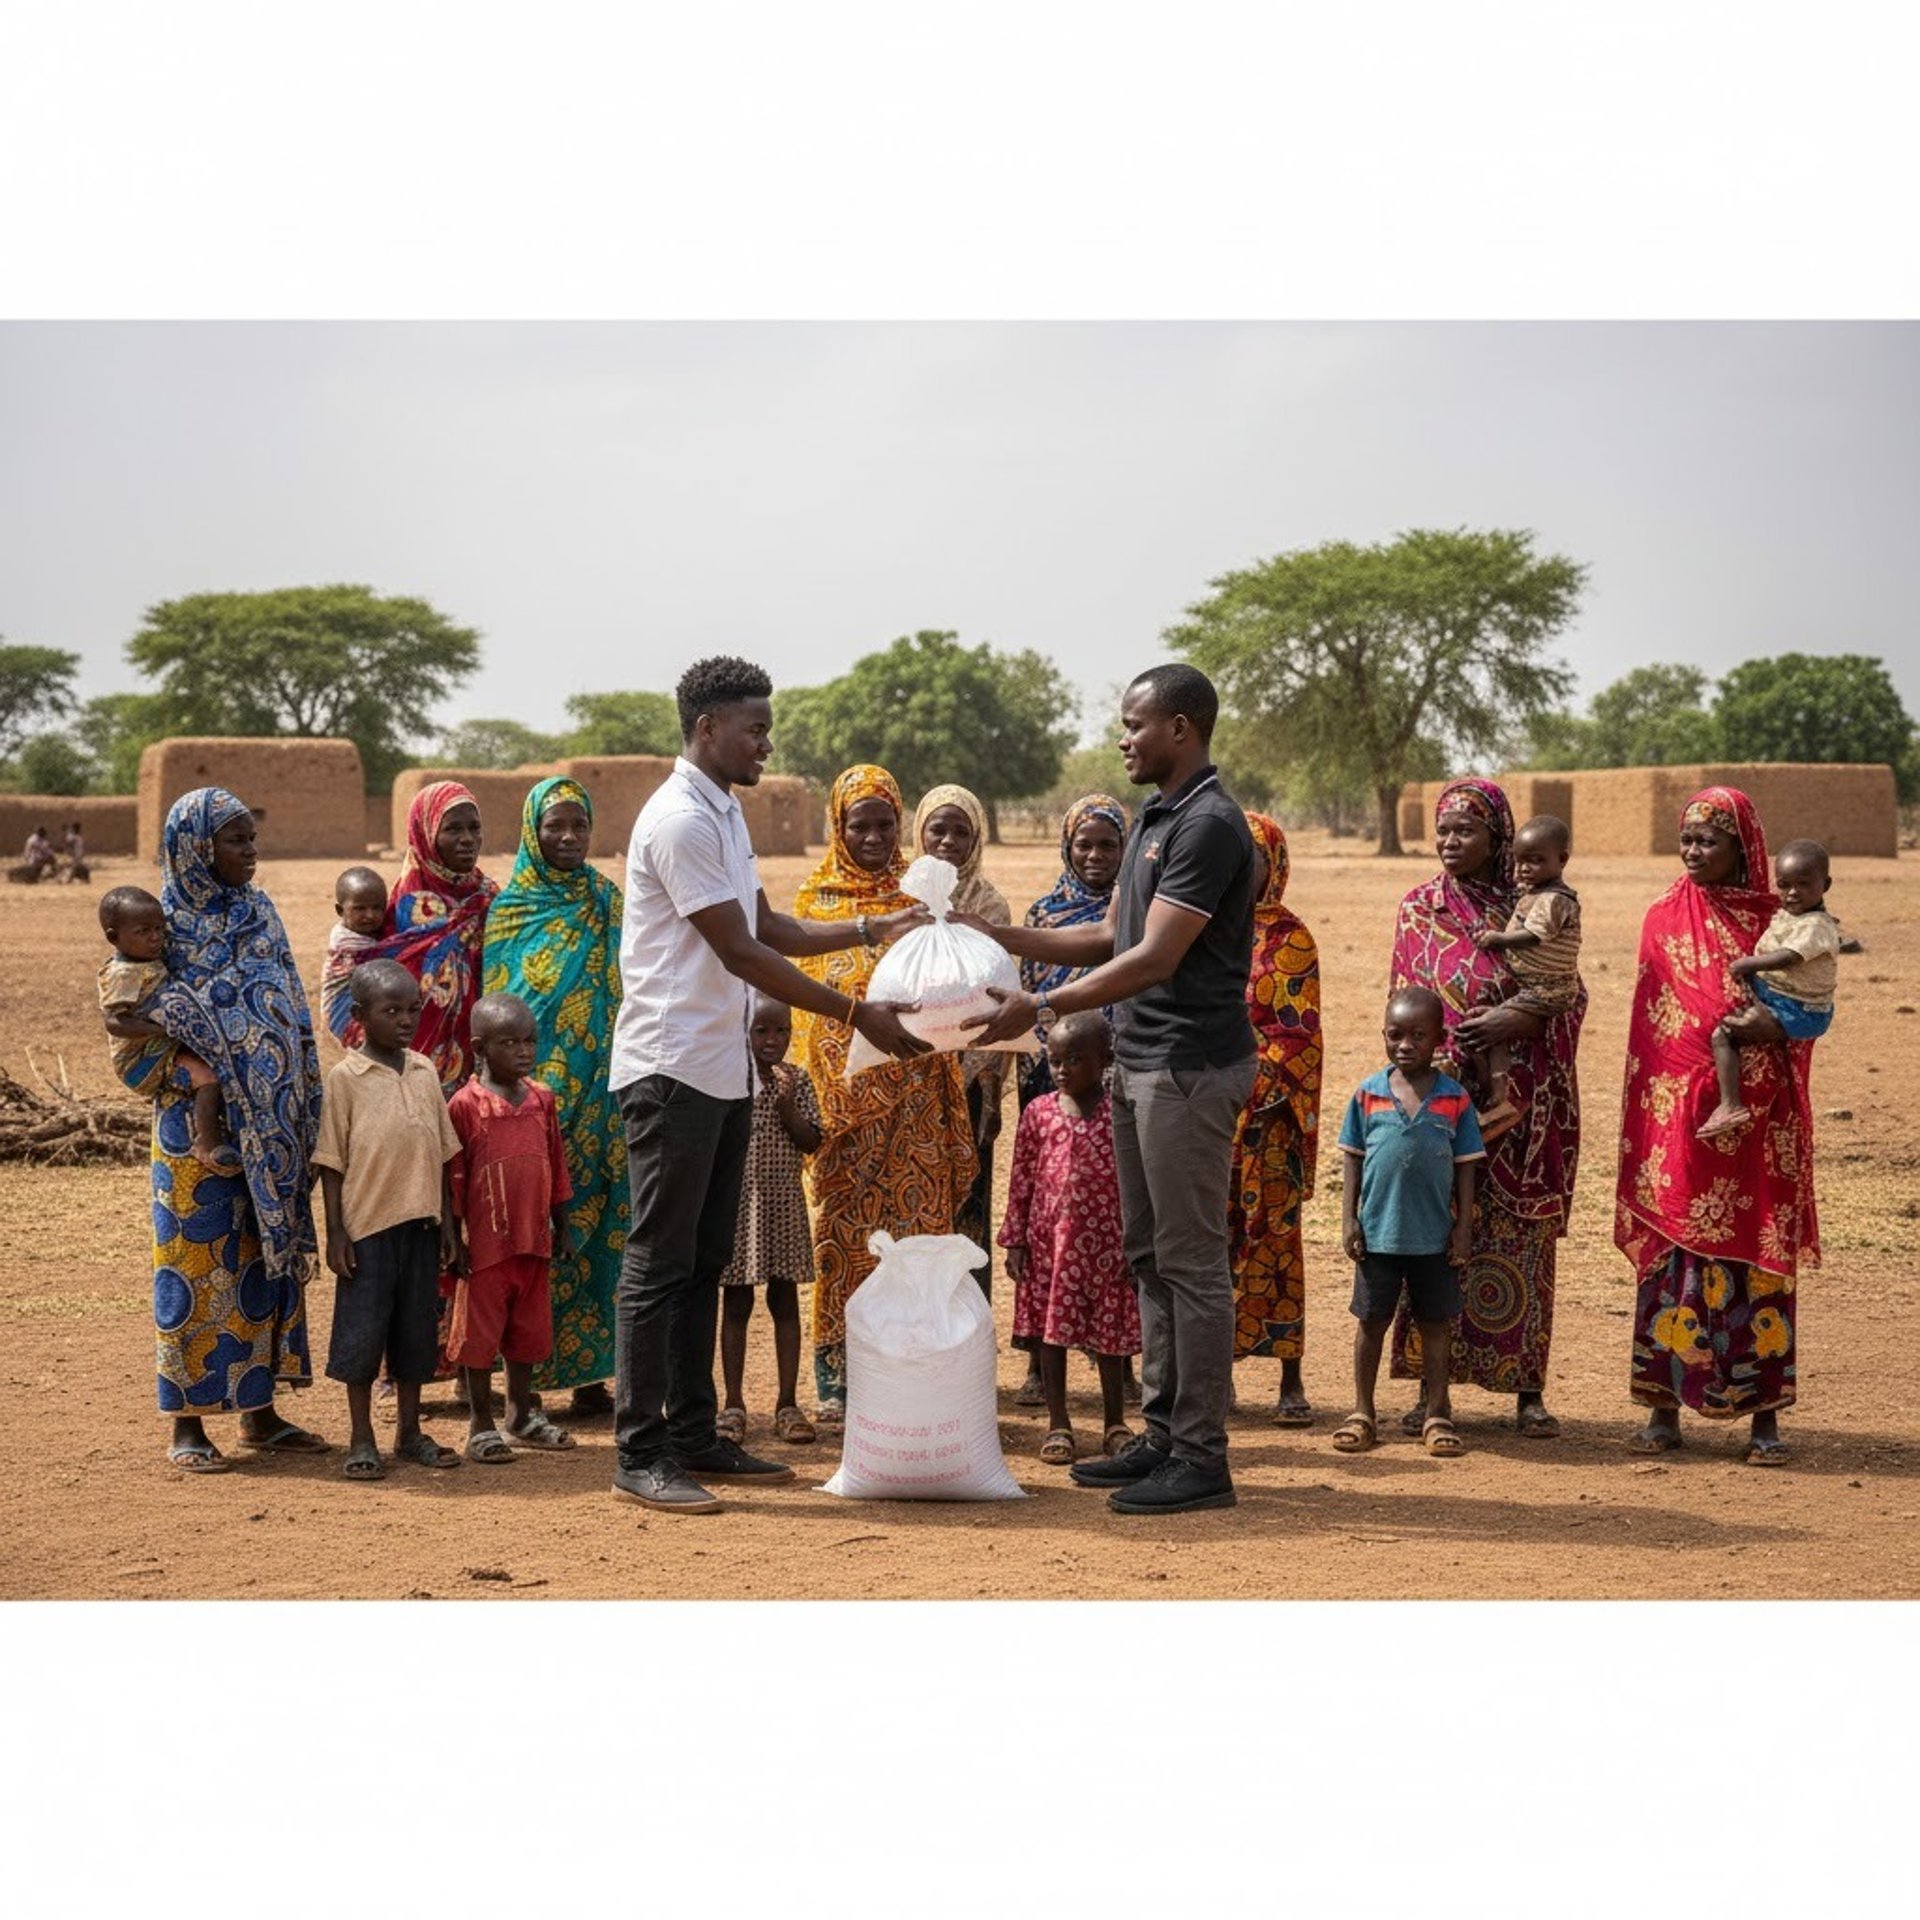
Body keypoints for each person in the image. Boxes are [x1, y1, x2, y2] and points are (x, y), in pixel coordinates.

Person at [608, 660, 929, 1515]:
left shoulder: (723, 812)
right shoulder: (678, 819)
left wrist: (869, 924)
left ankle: (693, 1435)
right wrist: (857, 1012)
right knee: (658, 1263)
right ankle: (640, 1452)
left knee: (705, 1261)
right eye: (755, 727)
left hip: (715, 1069)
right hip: (669, 1065)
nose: (767, 741)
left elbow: (770, 926)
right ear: (708, 727)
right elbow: (743, 954)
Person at [966, 664, 1256, 1516]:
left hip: (1188, 1068)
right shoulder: (1158, 819)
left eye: (1135, 723)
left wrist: (1040, 1003)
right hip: (1142, 1061)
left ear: (1180, 727)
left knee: (1192, 1263)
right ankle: (1163, 1435)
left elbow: (1156, 956)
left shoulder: (1207, 824)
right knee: (1150, 1256)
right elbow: (1109, 934)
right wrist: (1004, 936)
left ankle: (1202, 1456)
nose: (1122, 737)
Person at [1619, 787, 1819, 1466]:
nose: (1694, 852)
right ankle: (1662, 1406)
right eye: (1688, 839)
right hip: (1682, 1127)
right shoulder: (1662, 918)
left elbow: (1809, 1005)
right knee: (1677, 1261)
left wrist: (1776, 1029)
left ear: (1743, 848)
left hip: (1761, 1126)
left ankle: (1764, 1420)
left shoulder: (1779, 922)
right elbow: (1654, 1033)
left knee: (1758, 1264)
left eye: (1710, 841)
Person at [1386, 779, 1584, 1441]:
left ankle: (1527, 1392)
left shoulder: (1531, 904)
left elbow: (1569, 993)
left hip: (1522, 1104)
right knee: (1434, 1239)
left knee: (1520, 1237)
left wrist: (1510, 1019)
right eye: (1443, 829)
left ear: (1500, 837)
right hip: (1442, 1100)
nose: (1450, 841)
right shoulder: (1418, 909)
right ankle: (1428, 1391)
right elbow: (1400, 1005)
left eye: (1466, 830)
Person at [147, 787, 332, 1472]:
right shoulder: (159, 924)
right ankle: (188, 1424)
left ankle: (261, 1412)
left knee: (263, 1262)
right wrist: (198, 1066)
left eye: (252, 839)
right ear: (196, 848)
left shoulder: (258, 911)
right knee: (197, 1268)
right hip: (194, 1132)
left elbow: (288, 1007)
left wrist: (302, 1097)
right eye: (236, 841)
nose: (251, 853)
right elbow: (132, 1027)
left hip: (274, 1130)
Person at [792, 765, 976, 1426]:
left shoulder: (922, 893)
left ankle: (915, 1368)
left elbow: (956, 980)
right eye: (858, 824)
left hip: (920, 1101)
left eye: (884, 824)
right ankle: (836, 1376)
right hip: (848, 1115)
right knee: (844, 1238)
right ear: (837, 827)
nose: (872, 836)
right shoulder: (817, 901)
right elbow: (807, 1014)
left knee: (919, 1237)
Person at [481, 777, 627, 1419]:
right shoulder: (509, 911)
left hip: (605, 1096)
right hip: (533, 1108)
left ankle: (594, 1378)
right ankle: (525, 1382)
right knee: (533, 1238)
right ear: (531, 832)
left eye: (578, 827)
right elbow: (496, 1009)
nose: (567, 838)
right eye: (554, 827)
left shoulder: (606, 899)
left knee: (600, 1236)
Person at [313, 959, 465, 1481]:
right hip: (368, 1229)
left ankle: (409, 1431)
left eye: (413, 1010)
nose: (405, 1020)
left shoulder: (424, 1070)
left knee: (414, 1335)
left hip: (420, 1224)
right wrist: (335, 1233)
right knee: (363, 1334)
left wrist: (448, 1223)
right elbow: (331, 1162)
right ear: (359, 1016)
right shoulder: (345, 1079)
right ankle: (361, 1438)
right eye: (391, 1010)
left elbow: (444, 1154)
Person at [1009, 791, 1132, 1408]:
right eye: (1083, 843)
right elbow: (1030, 995)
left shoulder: (1137, 912)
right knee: (1049, 1229)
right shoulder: (1043, 915)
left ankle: (1121, 1372)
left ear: (1126, 849)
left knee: (1111, 1235)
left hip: (1122, 1078)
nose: (1094, 855)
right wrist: (1051, 1063)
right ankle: (1039, 1365)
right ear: (1066, 846)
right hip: (1052, 1078)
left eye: (1108, 844)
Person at [1332, 988, 1483, 1459]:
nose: (1405, 1045)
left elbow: (1466, 1166)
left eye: (1419, 1036)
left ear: (1439, 1038)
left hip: (1434, 1237)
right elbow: (1353, 1161)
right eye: (1395, 1035)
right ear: (1383, 1035)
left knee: (1435, 1326)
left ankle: (1437, 1413)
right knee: (1371, 1322)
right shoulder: (1368, 1094)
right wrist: (1349, 1221)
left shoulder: (1454, 1100)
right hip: (1378, 1234)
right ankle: (1362, 1413)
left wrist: (1462, 1229)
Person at [998, 1011, 1139, 1466]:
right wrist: (1015, 1239)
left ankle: (1114, 1422)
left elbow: (1138, 1179)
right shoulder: (1039, 1113)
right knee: (1050, 1333)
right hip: (1050, 1247)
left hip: (1108, 1245)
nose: (1061, 1070)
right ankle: (1059, 1423)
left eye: (1074, 1060)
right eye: (1054, 1060)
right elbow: (1021, 1179)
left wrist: (1138, 1239)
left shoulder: (1122, 1113)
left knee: (1109, 1335)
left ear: (1105, 1060)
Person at [446, 992, 575, 1462]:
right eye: (510, 1043)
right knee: (479, 1338)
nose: (524, 1051)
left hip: (533, 1240)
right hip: (484, 1246)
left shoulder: (541, 1099)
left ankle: (520, 1414)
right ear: (479, 1047)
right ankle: (480, 1422)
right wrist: (452, 1237)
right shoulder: (465, 1104)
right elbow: (454, 1175)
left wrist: (563, 1224)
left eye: (530, 1041)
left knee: (527, 1332)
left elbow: (556, 1166)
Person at [1229, 813, 1322, 1426]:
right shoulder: (1200, 927)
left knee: (1276, 1241)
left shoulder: (1292, 938)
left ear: (1274, 865)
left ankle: (1290, 1376)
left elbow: (1298, 1035)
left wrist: (1254, 1089)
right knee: (1214, 1244)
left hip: (1270, 1118)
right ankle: (1220, 1373)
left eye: (1252, 858)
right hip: (1209, 1115)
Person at [328, 779, 495, 1093]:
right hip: (410, 1060)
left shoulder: (489, 898)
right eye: (453, 829)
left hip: (475, 1057)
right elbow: (355, 977)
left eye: (474, 828)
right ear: (426, 834)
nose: (467, 839)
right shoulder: (400, 909)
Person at [913, 782, 1011, 1297]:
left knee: (968, 1204)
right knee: (914, 1210)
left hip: (970, 1083)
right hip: (906, 1081)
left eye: (961, 831)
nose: (948, 841)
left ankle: (966, 1344)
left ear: (976, 839)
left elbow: (999, 1002)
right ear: (920, 833)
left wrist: (989, 1086)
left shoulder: (990, 906)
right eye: (938, 829)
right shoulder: (901, 898)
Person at [717, 995, 823, 1446]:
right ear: (743, 1031)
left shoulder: (796, 1082)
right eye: (762, 1031)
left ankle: (787, 1403)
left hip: (782, 1205)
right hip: (738, 1208)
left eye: (781, 1031)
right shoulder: (728, 1081)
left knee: (784, 1301)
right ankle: (733, 1405)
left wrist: (785, 1106)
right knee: (736, 1302)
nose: (772, 1041)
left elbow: (811, 1140)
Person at [1699, 837, 1839, 1140]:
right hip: (1781, 998)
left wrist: (1750, 964)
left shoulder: (1816, 926)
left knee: (1724, 1033)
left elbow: (1789, 956)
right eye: (1784, 884)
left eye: (1803, 884)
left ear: (1825, 885)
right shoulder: (1790, 915)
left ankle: (1729, 1104)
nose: (1791, 893)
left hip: (1800, 1010)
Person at [96, 884, 237, 1172]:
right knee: (207, 1076)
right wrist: (161, 1028)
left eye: (159, 929)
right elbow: (114, 1022)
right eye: (143, 931)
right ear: (114, 938)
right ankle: (207, 1142)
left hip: (159, 1045)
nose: (155, 938)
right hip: (138, 1059)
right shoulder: (124, 973)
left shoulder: (147, 959)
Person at [1470, 813, 1581, 1134]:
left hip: (1546, 989)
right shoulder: (1535, 894)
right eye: (1519, 861)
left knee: (1492, 1027)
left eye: (1536, 861)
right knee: (1485, 1023)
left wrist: (1498, 939)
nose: (1524, 869)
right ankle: (1497, 1092)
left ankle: (1502, 1099)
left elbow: (1534, 935)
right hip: (1537, 988)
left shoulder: (1553, 899)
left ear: (1562, 860)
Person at [320, 865, 388, 1040]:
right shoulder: (347, 943)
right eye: (360, 909)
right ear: (340, 911)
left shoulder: (372, 935)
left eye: (377, 908)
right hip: (341, 1014)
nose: (370, 915)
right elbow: (391, 959)